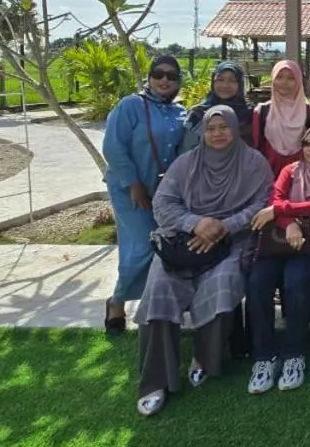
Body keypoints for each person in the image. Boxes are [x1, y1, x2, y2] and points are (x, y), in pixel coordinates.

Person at [134, 105, 273, 417]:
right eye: (211, 128)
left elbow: (263, 202)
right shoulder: (186, 164)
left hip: (231, 241)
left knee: (223, 283)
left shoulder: (254, 163)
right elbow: (163, 204)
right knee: (159, 289)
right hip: (184, 241)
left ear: (236, 128)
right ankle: (155, 379)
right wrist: (195, 223)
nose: (217, 134)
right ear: (202, 132)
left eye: (224, 127)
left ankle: (204, 358)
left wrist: (225, 226)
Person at [245, 124, 310, 394]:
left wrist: (280, 211)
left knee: (296, 279)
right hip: (278, 243)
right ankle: (264, 357)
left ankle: (294, 354)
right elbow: (275, 196)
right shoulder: (290, 171)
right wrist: (289, 223)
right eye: (307, 143)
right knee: (257, 281)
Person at [103, 55, 186, 333]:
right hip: (130, 191)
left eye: (171, 76)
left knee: (159, 250)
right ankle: (116, 302)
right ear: (149, 77)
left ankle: (148, 304)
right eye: (158, 74)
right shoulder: (131, 106)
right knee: (140, 248)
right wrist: (133, 183)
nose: (164, 80)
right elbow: (113, 147)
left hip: (162, 194)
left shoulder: (179, 112)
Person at [252, 60, 310, 176]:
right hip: (269, 175)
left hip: (301, 177)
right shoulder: (262, 111)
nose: (284, 82)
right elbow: (257, 146)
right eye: (279, 77)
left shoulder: (309, 111)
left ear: (299, 81)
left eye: (291, 78)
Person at [180, 60, 252, 154]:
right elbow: (187, 150)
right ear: (213, 82)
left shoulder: (249, 115)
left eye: (232, 81)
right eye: (220, 80)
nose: (225, 85)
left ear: (240, 84)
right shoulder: (197, 114)